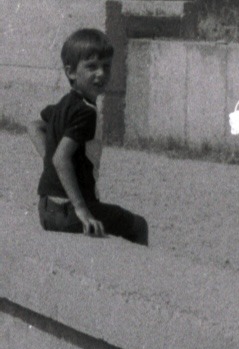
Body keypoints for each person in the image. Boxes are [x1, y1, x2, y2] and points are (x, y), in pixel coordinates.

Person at [27, 27, 149, 245]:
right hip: (70, 213)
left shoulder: (66, 103)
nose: (101, 74)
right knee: (139, 226)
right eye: (91, 67)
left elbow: (34, 126)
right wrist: (81, 209)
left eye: (106, 67)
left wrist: (49, 159)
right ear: (71, 72)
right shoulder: (86, 112)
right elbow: (60, 159)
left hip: (46, 209)